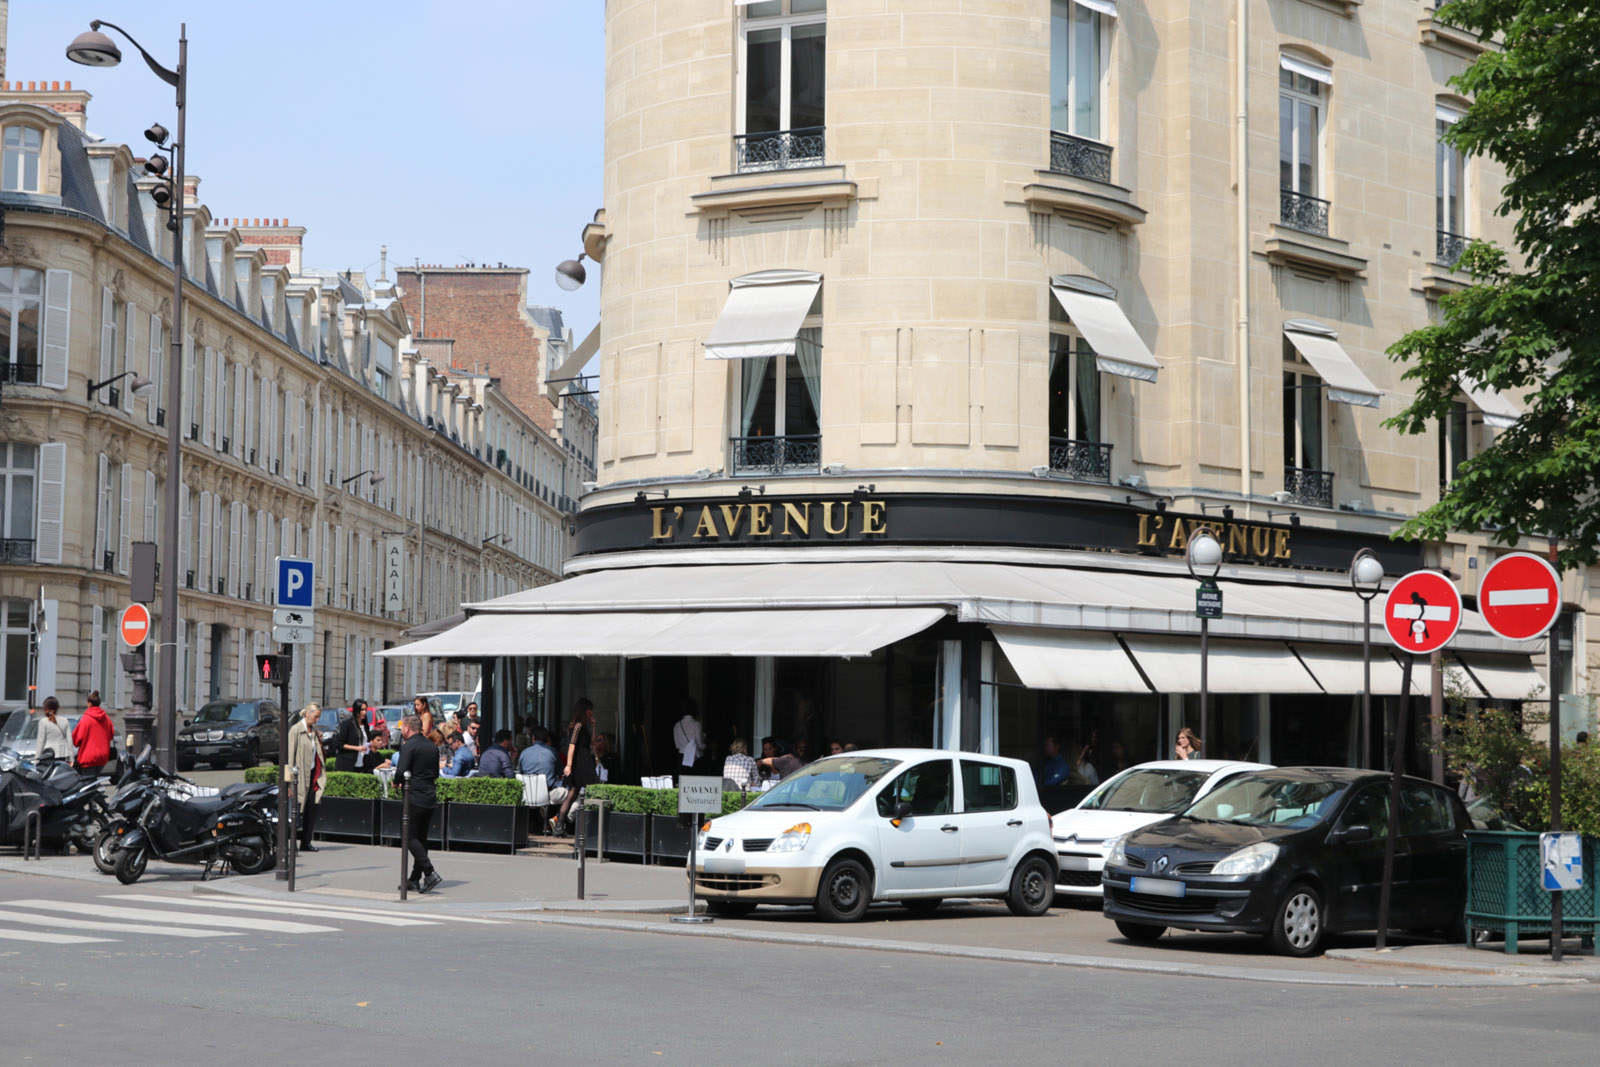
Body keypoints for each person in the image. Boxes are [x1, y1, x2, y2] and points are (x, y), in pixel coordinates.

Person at [393, 714, 442, 894]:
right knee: (421, 838)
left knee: (408, 836)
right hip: (430, 796)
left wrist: (396, 780)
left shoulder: (409, 746)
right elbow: (436, 774)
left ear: (407, 728)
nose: (401, 732)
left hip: (414, 796)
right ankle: (414, 878)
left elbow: (401, 771)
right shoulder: (431, 745)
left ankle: (429, 872)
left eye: (402, 728)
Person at [552, 698, 599, 834]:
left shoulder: (582, 726)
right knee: (585, 790)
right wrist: (569, 765)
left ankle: (560, 825)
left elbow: (592, 743)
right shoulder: (578, 726)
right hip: (580, 762)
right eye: (590, 709)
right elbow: (571, 746)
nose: (591, 712)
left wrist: (594, 726)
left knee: (573, 793)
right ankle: (563, 825)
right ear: (585, 710)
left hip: (583, 760)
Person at [287, 704, 327, 853]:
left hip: (313, 775)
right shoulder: (296, 730)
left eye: (318, 717)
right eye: (315, 716)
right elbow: (290, 757)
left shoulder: (313, 731)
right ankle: (291, 844)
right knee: (297, 810)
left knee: (312, 808)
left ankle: (306, 842)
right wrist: (290, 782)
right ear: (307, 714)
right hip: (299, 776)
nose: (317, 720)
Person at [70, 690, 115, 775]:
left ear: (89, 704)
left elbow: (76, 739)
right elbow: (111, 734)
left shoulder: (86, 719)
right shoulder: (106, 718)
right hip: (103, 756)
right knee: (94, 779)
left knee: (87, 782)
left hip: (88, 757)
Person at [334, 699, 378, 773]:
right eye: (362, 710)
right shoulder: (348, 724)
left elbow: (367, 740)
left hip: (361, 762)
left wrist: (369, 745)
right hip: (347, 763)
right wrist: (357, 748)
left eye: (365, 710)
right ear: (356, 710)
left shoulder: (365, 725)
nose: (364, 712)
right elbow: (339, 744)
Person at [36, 697, 74, 763]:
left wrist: (37, 759)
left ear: (46, 708)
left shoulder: (43, 721)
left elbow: (41, 742)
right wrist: (71, 758)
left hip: (48, 754)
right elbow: (69, 741)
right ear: (57, 707)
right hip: (62, 754)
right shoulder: (65, 720)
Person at [672, 703, 705, 770]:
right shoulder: (696, 724)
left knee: (682, 779)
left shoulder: (677, 725)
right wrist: (705, 745)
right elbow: (699, 745)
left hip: (681, 757)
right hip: (694, 758)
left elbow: (677, 745)